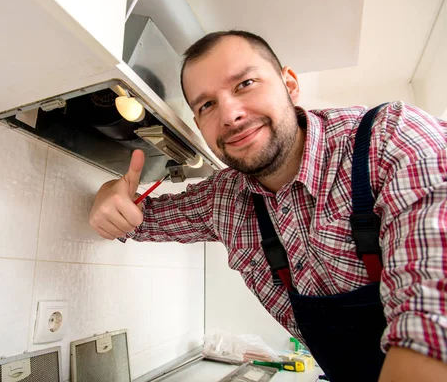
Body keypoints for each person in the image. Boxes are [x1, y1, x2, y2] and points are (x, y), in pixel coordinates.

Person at [89, 31, 447, 382]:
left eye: (245, 83)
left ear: (289, 84)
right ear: (199, 125)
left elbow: (433, 326)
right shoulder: (223, 199)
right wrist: (108, 194)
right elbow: (134, 217)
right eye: (207, 104)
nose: (230, 115)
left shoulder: (390, 140)